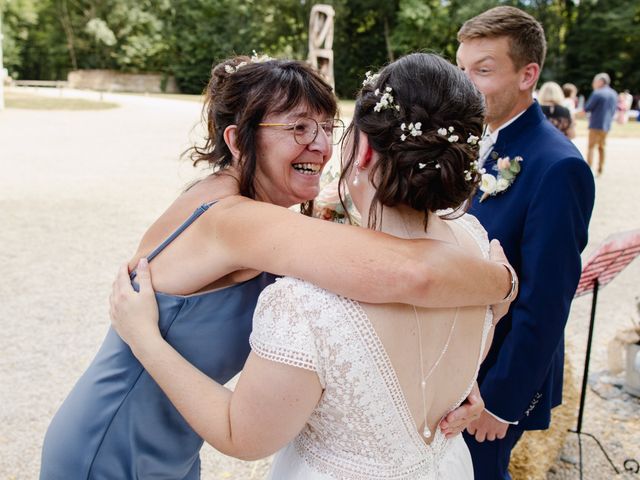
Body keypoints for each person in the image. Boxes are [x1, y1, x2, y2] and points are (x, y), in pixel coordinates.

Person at [40, 56, 514, 479]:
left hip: (178, 441)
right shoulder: (231, 220)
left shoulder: (266, 216)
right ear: (238, 141)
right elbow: (412, 272)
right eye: (298, 129)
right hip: (108, 440)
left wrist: (441, 377)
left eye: (328, 128)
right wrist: (501, 283)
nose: (322, 147)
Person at [456, 6, 595, 480]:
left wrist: (502, 401)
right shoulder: (478, 140)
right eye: (462, 69)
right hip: (458, 361)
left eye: (483, 70)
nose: (466, 83)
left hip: (497, 378)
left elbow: (547, 300)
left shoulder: (559, 167)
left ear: (527, 74)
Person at [584, 72, 618, 175]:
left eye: (595, 81)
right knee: (602, 147)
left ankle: (588, 169)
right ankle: (600, 168)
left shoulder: (597, 93)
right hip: (607, 125)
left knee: (591, 147)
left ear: (600, 82)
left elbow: (587, 108)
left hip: (595, 124)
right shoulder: (614, 93)